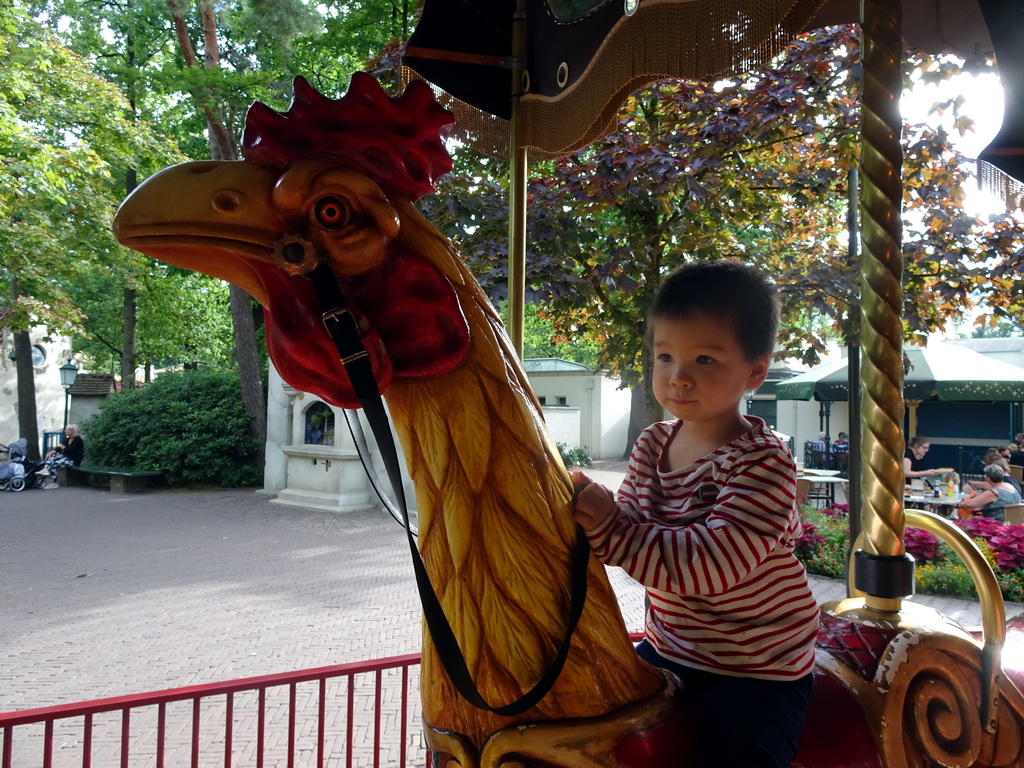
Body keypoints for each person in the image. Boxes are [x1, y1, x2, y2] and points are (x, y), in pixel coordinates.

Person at [571, 261, 817, 768]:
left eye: (704, 359)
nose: (678, 377)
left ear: (754, 371)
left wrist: (610, 527)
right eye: (665, 356)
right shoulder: (652, 443)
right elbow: (629, 530)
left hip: (757, 666)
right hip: (671, 646)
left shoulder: (762, 461)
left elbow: (710, 566)